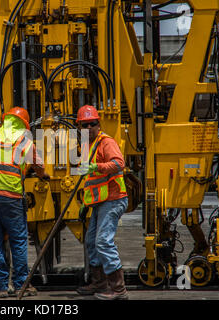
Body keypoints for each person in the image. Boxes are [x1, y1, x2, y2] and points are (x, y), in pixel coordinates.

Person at [0, 107, 49, 298]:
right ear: (24, 124)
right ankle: (21, 285)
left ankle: (1, 287)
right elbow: (38, 164)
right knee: (18, 241)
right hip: (10, 197)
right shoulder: (23, 139)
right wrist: (44, 176)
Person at [75, 105, 129, 300]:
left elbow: (118, 163)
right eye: (84, 124)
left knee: (103, 242)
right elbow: (92, 181)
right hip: (100, 202)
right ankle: (100, 284)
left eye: (92, 123)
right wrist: (85, 204)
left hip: (114, 200)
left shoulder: (106, 142)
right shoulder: (87, 146)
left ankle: (119, 290)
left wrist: (95, 166)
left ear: (99, 124)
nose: (89, 127)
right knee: (91, 242)